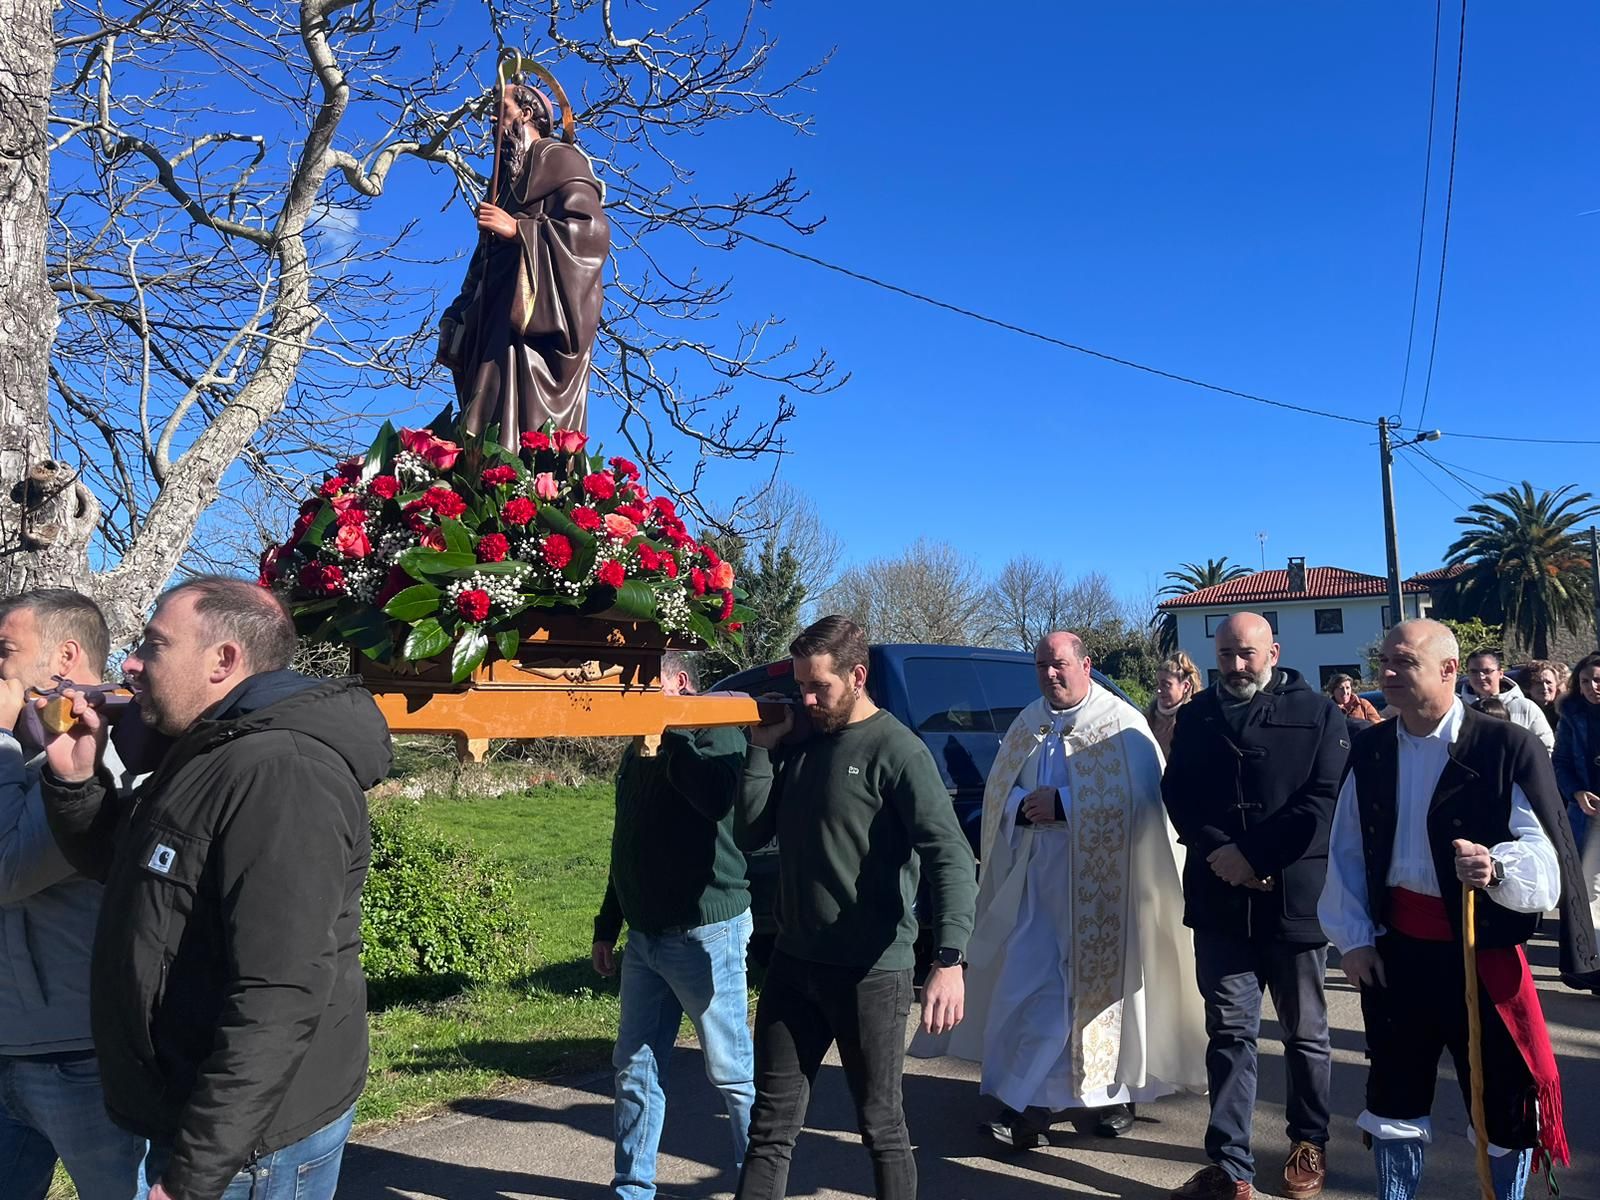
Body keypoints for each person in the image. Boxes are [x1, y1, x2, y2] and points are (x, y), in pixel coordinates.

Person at [37, 576, 393, 1200]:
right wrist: (75, 782)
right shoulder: (210, 749)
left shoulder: (281, 771)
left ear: (223, 660)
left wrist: (198, 1172)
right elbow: (126, 872)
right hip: (198, 1110)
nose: (130, 663)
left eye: (154, 645)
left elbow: (280, 990)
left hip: (248, 1146)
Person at [912, 632, 1205, 1148]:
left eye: (1060, 664)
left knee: (1099, 997)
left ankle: (1107, 1097)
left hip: (1105, 889)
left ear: (1085, 665)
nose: (1051, 673)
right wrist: (1021, 804)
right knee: (1036, 989)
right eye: (1042, 665)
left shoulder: (1121, 724)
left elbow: (1143, 803)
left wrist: (1066, 805)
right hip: (1035, 882)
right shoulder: (1030, 721)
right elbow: (1002, 787)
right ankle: (1030, 1103)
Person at [1319, 620, 1579, 1200]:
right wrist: (1355, 940)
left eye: (1402, 662)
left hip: (1480, 953)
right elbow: (1347, 850)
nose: (1386, 673)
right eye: (1383, 660)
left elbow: (1543, 851)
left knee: (1503, 1103)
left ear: (1447, 670)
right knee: (1393, 1095)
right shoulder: (1369, 747)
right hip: (1397, 953)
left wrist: (1498, 868)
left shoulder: (1505, 746)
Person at [733, 615, 976, 1200]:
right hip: (794, 966)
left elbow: (950, 856)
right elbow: (749, 829)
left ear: (858, 676)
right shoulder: (802, 743)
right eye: (801, 687)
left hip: (871, 974)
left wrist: (949, 960)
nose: (808, 700)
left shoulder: (897, 751)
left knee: (881, 1127)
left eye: (820, 687)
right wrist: (762, 751)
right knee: (769, 1127)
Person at [1161, 612, 1348, 1200]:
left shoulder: (1319, 713)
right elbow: (1178, 792)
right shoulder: (1195, 717)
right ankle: (1231, 1166)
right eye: (1225, 656)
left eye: (1247, 654)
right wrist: (1222, 852)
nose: (1236, 667)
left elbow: (1324, 801)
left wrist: (1256, 856)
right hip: (1220, 902)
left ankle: (1308, 1143)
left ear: (1274, 650)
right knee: (1229, 1034)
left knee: (1306, 1034)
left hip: (1292, 900)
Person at [0, 590, 150, 1200]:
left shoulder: (103, 750)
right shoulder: (25, 744)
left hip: (80, 1053)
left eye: (4, 650)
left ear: (65, 655)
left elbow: (7, 870)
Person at [592, 651, 754, 1200]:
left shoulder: (717, 731)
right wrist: (606, 923)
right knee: (634, 1068)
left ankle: (760, 1183)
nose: (631, 696)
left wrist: (669, 734)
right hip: (644, 937)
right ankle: (632, 1189)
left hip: (706, 932)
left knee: (731, 1072)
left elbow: (716, 798)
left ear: (680, 683)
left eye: (645, 684)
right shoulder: (637, 747)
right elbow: (627, 841)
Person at [437, 80, 609, 446]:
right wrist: (455, 314)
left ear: (526, 114)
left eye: (502, 112)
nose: (493, 123)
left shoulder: (561, 159)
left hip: (534, 316)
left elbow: (590, 233)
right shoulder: (499, 185)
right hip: (492, 317)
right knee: (484, 423)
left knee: (525, 426)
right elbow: (481, 262)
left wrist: (519, 230)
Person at [1555, 652, 1600, 939]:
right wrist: (1577, 792)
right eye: (1585, 681)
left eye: (1597, 680)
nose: (1591, 687)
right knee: (1590, 885)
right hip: (1589, 813)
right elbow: (1560, 762)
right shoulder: (1571, 716)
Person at [1459, 650, 1554, 752]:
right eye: (1474, 672)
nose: (1481, 677)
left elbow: (1546, 747)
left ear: (1500, 673)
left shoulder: (1525, 707)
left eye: (1487, 671)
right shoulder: (1459, 709)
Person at [1146, 650, 1204, 760]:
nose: (1159, 690)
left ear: (1185, 686)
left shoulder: (1197, 720)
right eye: (1157, 684)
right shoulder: (1147, 719)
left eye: (1166, 685)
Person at [1520, 660, 1567, 736]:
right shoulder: (1521, 711)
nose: (1545, 687)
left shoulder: (1566, 711)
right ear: (1527, 686)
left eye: (1549, 682)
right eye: (1539, 683)